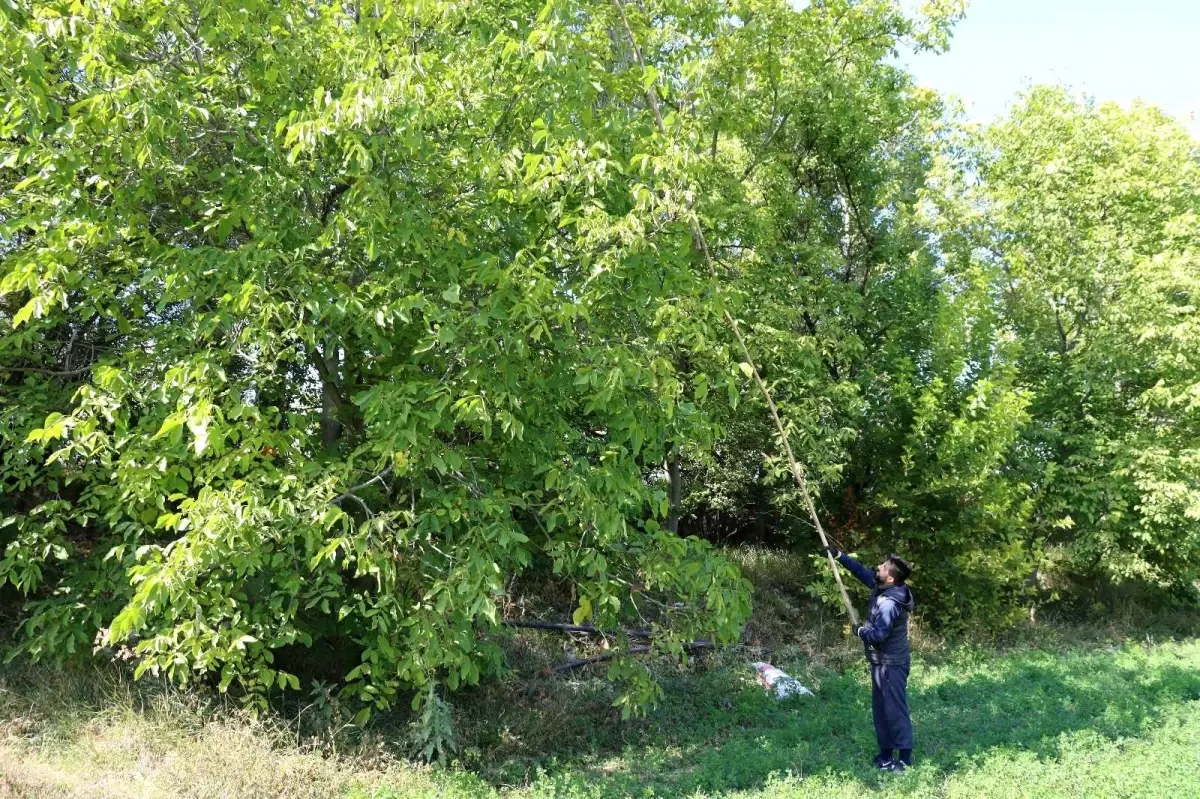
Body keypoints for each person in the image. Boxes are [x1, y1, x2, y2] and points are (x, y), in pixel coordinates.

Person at [827, 545, 916, 772]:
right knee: (881, 710)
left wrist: (859, 632)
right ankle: (886, 756)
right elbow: (864, 573)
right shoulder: (884, 587)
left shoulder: (889, 603)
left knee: (895, 710)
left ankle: (904, 759)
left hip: (892, 663)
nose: (879, 567)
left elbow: (878, 635)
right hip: (880, 662)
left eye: (883, 567)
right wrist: (839, 556)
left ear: (892, 577)